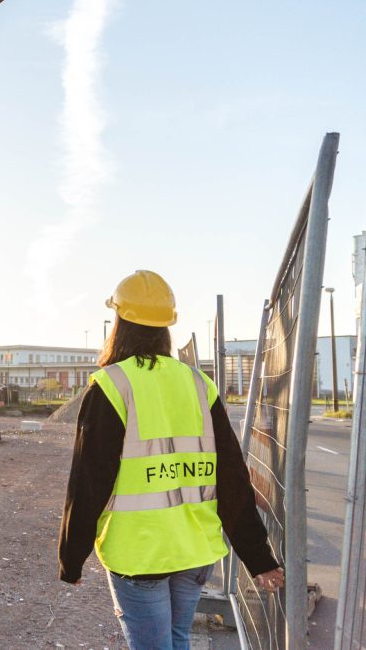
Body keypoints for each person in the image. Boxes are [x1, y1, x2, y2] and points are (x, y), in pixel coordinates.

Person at [58, 270, 284, 649]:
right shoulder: (198, 383)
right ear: (167, 327)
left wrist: (73, 554)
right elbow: (231, 475)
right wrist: (257, 555)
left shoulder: (111, 386)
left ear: (120, 322)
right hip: (195, 548)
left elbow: (89, 481)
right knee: (177, 640)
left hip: (140, 551)